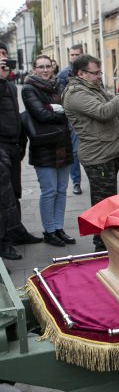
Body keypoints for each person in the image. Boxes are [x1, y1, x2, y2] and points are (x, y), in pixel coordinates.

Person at [63, 54, 119, 251]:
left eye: (99, 72)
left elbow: (117, 107)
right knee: (103, 203)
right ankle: (101, 245)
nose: (98, 76)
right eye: (95, 73)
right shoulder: (76, 94)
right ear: (81, 73)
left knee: (108, 200)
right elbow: (104, 112)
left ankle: (106, 241)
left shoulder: (91, 87)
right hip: (98, 156)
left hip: (107, 152)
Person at [21, 55, 75, 247]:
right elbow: (41, 115)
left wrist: (55, 109)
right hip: (44, 147)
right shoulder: (28, 89)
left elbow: (70, 110)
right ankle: (49, 231)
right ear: (34, 69)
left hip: (64, 145)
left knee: (61, 191)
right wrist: (59, 112)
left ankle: (59, 229)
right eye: (40, 67)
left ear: (53, 68)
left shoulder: (60, 86)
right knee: (49, 191)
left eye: (48, 66)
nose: (45, 70)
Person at [0, 41, 43, 260]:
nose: (3, 59)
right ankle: (4, 242)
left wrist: (20, 142)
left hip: (12, 144)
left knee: (14, 191)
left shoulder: (8, 83)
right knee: (3, 196)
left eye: (4, 54)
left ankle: (16, 231)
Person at [57, 44, 84, 195]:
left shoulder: (88, 71)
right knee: (74, 152)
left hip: (89, 115)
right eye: (72, 55)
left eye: (77, 55)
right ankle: (76, 182)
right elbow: (61, 98)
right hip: (72, 118)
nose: (74, 57)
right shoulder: (63, 74)